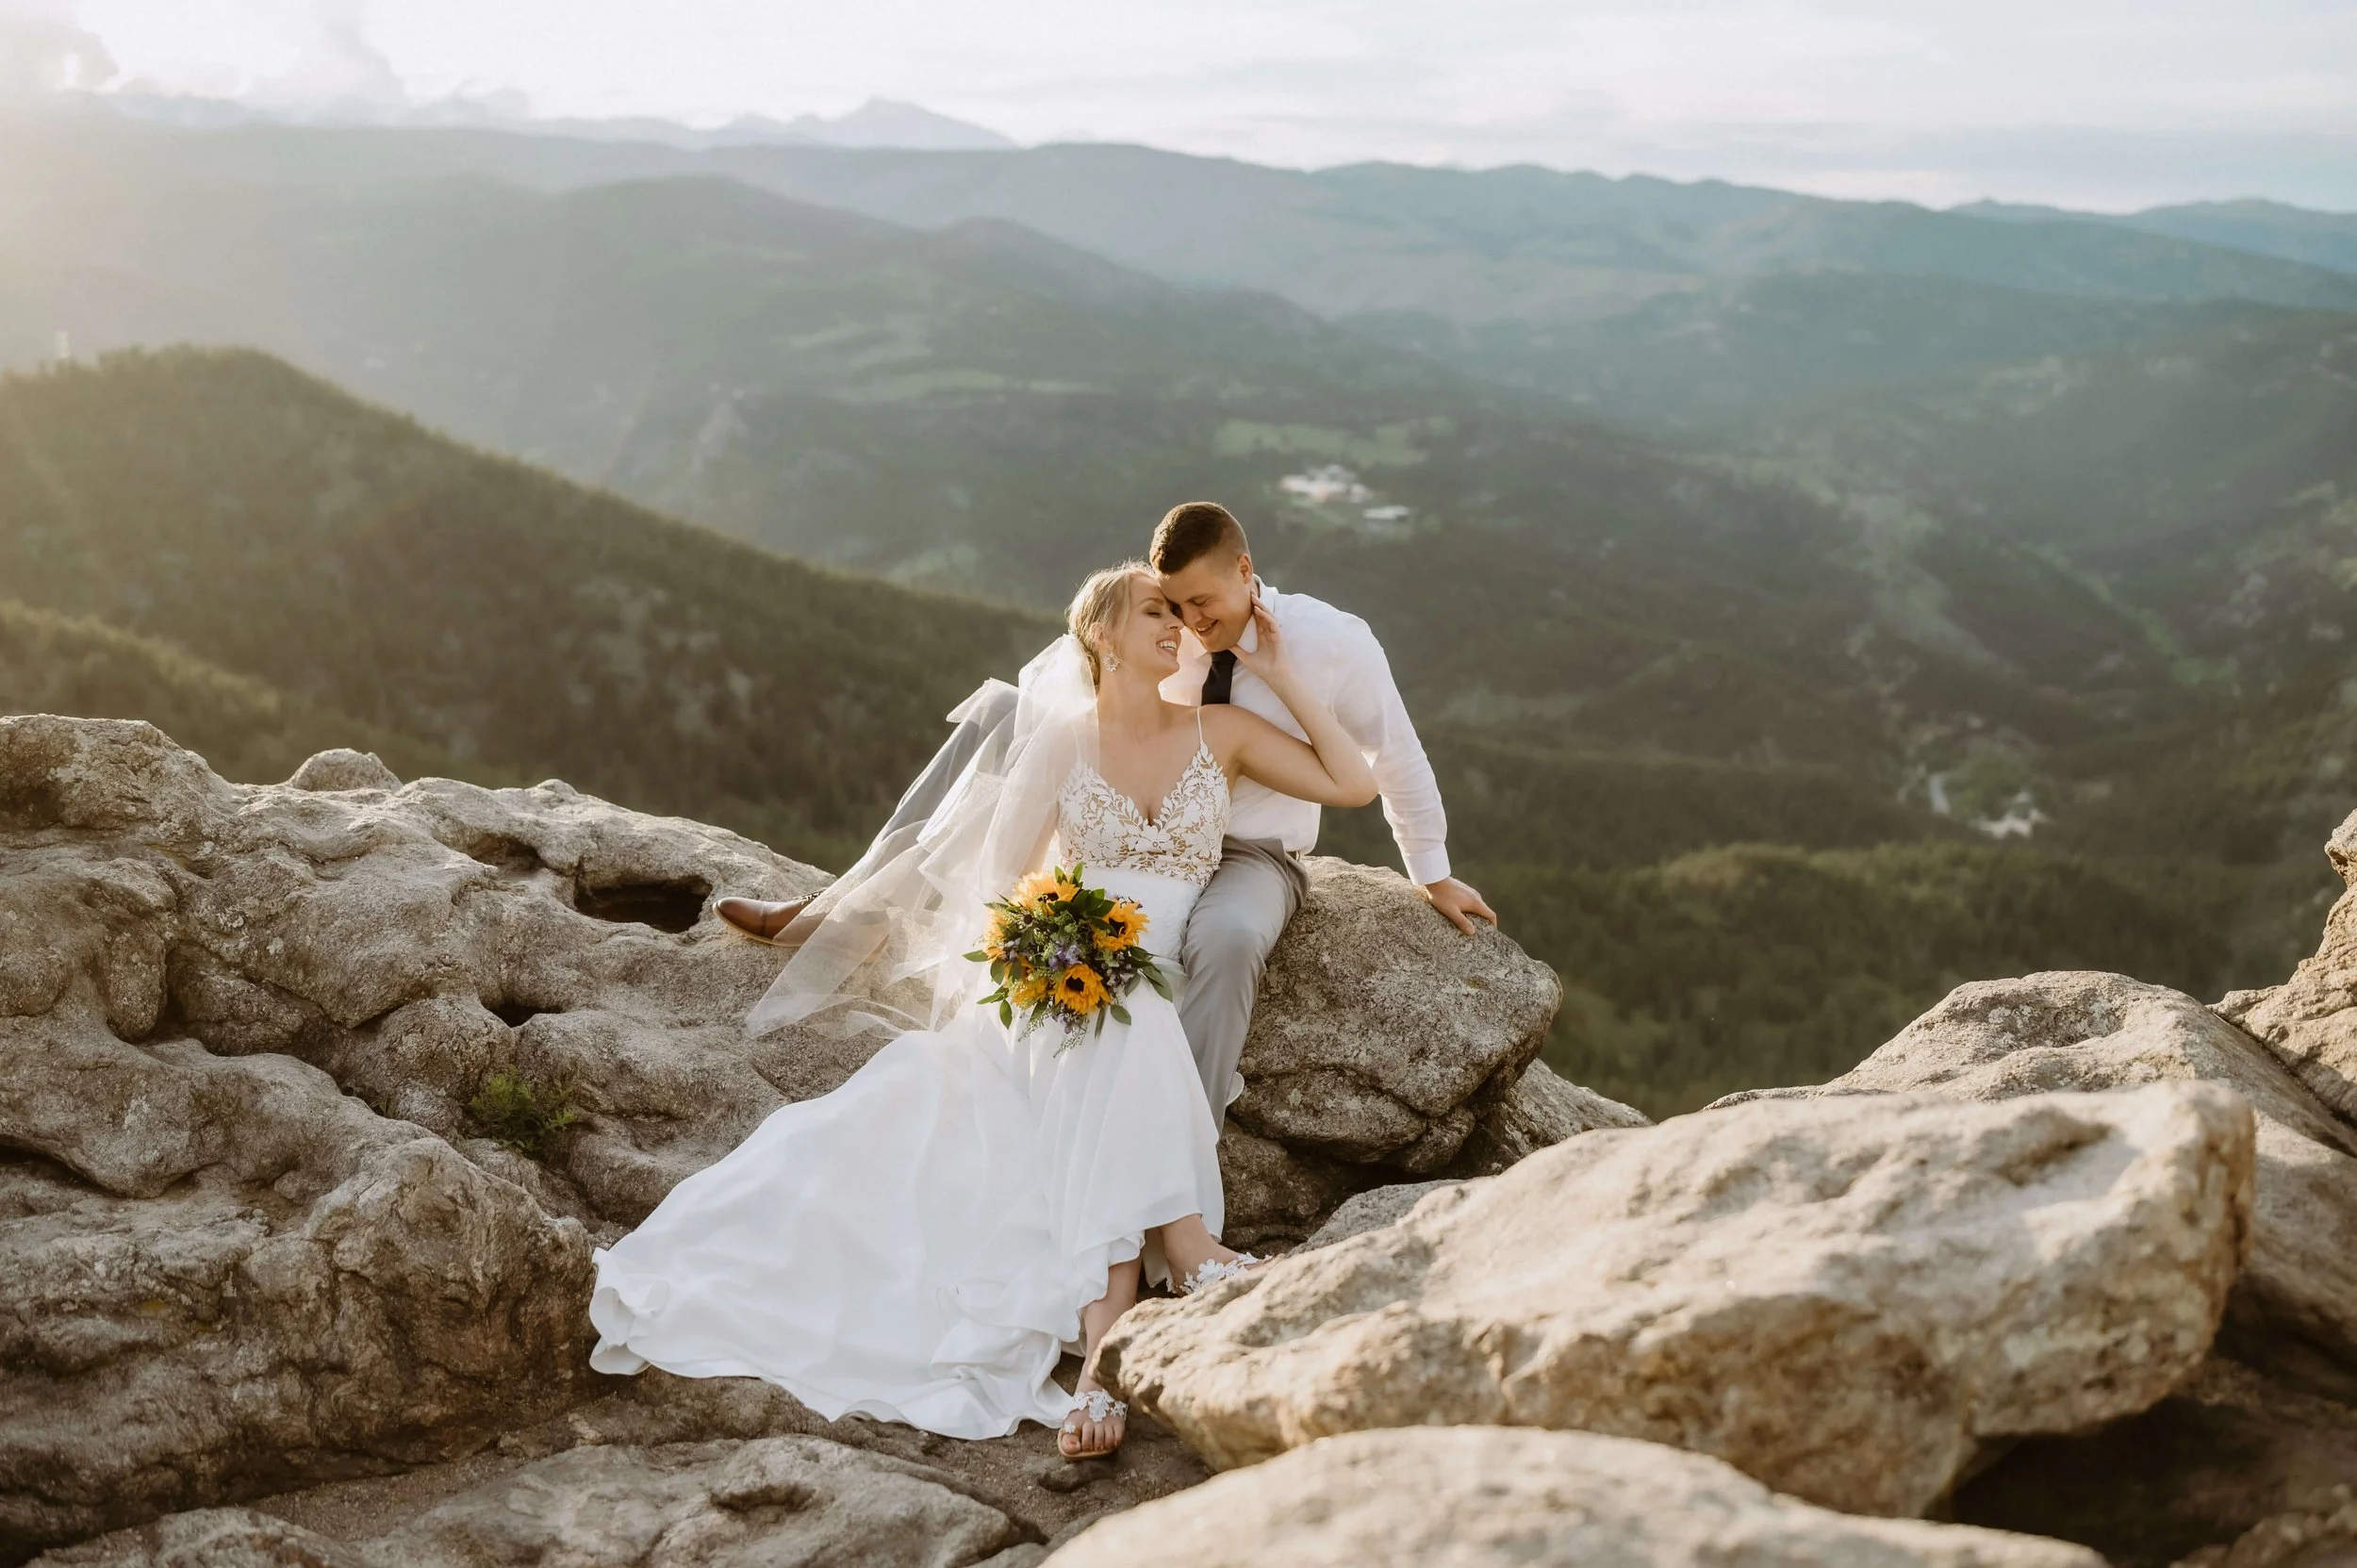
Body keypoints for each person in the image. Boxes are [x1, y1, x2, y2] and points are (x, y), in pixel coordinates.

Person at [588, 563, 1377, 1461]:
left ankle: (1112, 1348)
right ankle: (1173, 1274)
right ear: (1101, 637)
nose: (1178, 626)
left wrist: (1273, 670)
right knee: (1123, 1019)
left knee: (1132, 1019)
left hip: (1137, 981)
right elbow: (1000, 896)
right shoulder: (1061, 745)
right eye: (1155, 611)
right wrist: (1054, 950)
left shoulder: (1223, 729)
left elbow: (1350, 783)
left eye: (1182, 615)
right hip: (1061, 982)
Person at [1150, 501, 1496, 1121]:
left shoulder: (1332, 640)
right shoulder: (1162, 630)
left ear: (1245, 568)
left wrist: (1431, 870)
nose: (1190, 622)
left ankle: (1177, 1148)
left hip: (1251, 853)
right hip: (1153, 836)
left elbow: (1394, 753)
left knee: (1227, 940)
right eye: (1176, 605)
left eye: (1201, 601)